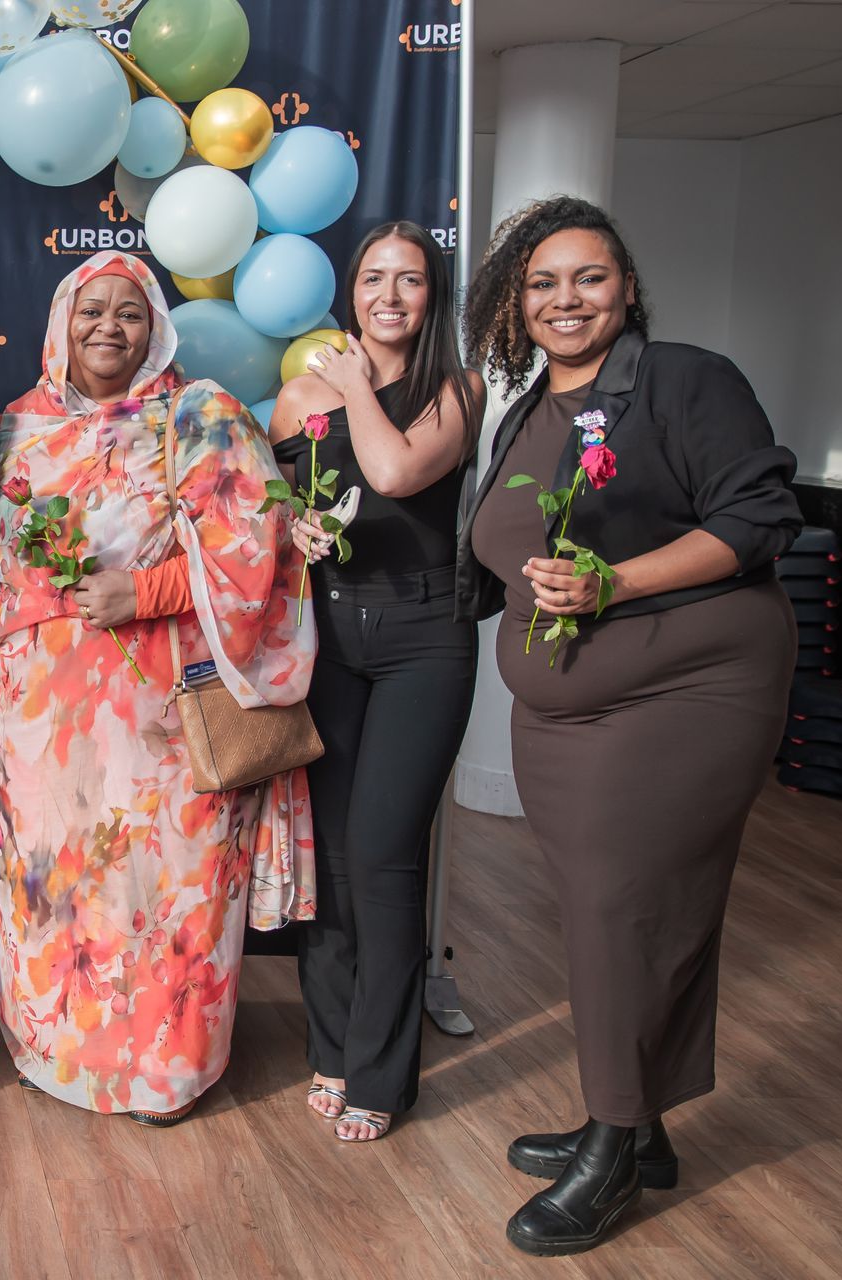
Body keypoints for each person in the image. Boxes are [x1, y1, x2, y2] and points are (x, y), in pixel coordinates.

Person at [459, 196, 801, 1256]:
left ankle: (611, 1152)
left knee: (619, 906)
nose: (568, 300)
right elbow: (503, 552)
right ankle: (640, 1122)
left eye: (590, 278)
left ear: (627, 288)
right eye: (545, 282)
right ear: (517, 301)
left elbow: (757, 516)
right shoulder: (524, 407)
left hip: (687, 686)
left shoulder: (684, 378)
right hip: (569, 710)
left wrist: (614, 583)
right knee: (630, 910)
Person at [0, 249, 316, 1126]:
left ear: (157, 326)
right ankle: (54, 1055)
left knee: (165, 891)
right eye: (92, 311)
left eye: (130, 312)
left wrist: (145, 591)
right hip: (38, 713)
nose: (108, 328)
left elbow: (254, 552)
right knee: (51, 889)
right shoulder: (17, 425)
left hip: (165, 708)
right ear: (60, 323)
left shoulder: (202, 416)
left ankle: (167, 1073)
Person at [269, 222, 484, 1143]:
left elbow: (394, 471)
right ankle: (332, 1046)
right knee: (335, 861)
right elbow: (267, 509)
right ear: (350, 290)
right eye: (372, 278)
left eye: (410, 280)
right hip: (330, 639)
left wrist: (354, 383)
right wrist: (291, 532)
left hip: (424, 640)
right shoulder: (295, 399)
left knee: (388, 858)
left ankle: (383, 1075)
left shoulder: (456, 389)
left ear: (434, 296)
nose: (389, 295)